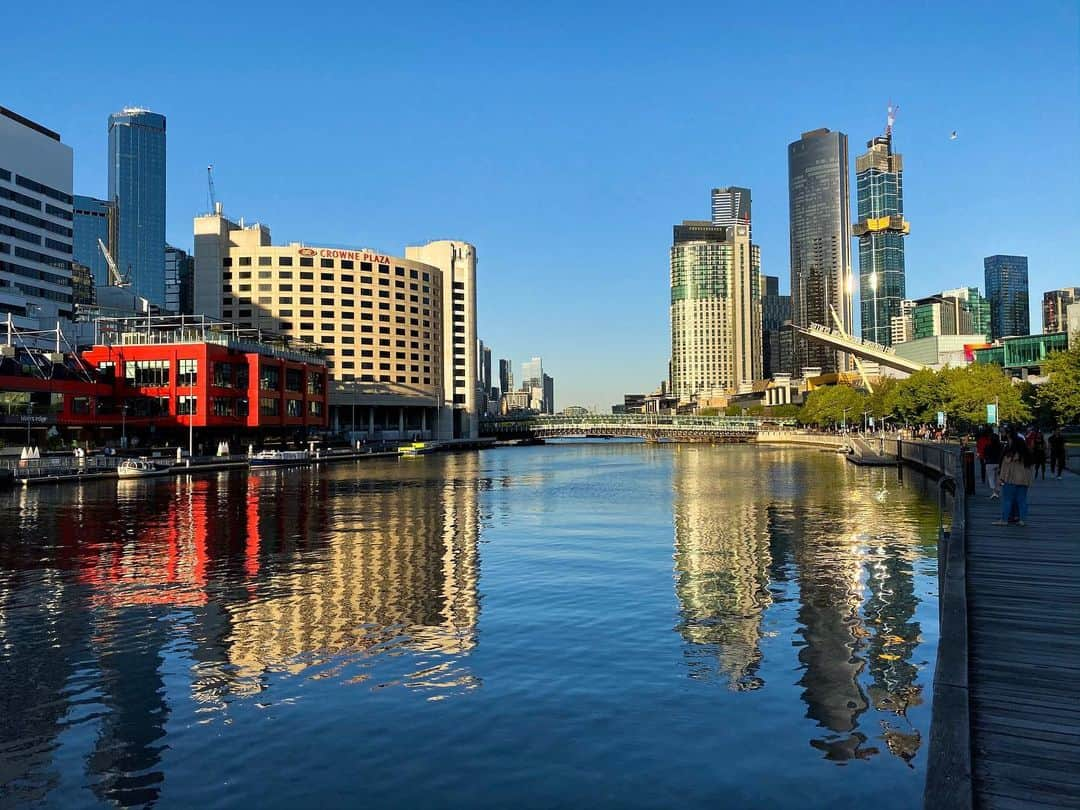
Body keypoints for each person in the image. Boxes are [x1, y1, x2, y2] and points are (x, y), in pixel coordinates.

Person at [994, 433, 1034, 527]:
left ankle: (1004, 519)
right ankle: (1022, 520)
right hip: (1024, 481)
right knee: (1022, 501)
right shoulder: (1027, 456)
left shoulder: (1009, 455)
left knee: (1007, 500)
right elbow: (1030, 470)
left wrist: (1001, 479)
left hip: (1010, 480)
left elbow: (1004, 468)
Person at [985, 431, 1003, 499]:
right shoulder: (1001, 446)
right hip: (999, 463)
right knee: (998, 477)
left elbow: (985, 455)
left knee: (991, 478)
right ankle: (997, 492)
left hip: (990, 463)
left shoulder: (988, 446)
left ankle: (993, 492)